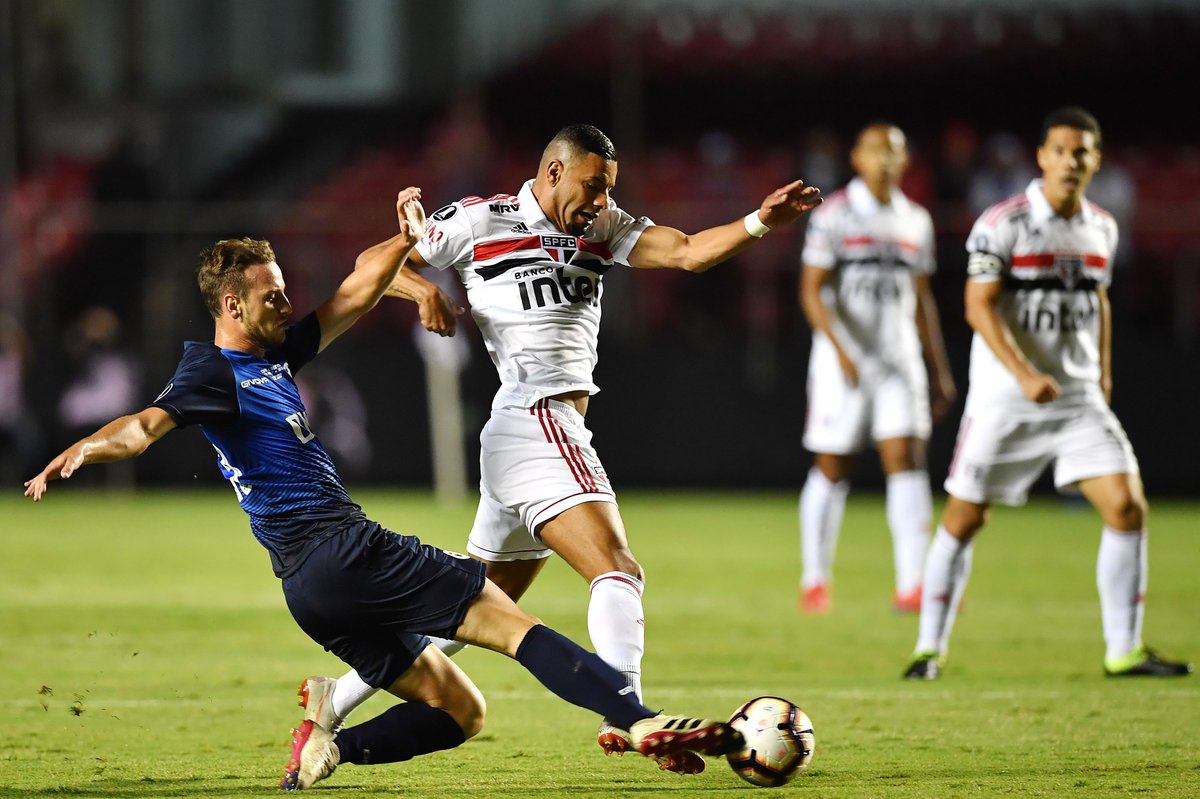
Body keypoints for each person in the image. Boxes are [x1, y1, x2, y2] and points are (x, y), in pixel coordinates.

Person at [24, 189, 745, 791]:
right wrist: (86, 447)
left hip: (309, 591)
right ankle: (638, 717)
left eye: (282, 289)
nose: (285, 301)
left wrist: (406, 242)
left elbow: (356, 289)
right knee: (512, 623)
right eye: (271, 295)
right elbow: (146, 425)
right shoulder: (212, 374)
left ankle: (333, 745)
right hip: (348, 550)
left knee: (461, 710)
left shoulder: (276, 354)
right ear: (232, 309)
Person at [305, 123, 822, 772]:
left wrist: (759, 221)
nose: (603, 201)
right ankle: (626, 711)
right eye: (594, 186)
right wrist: (423, 287)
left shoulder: (601, 229)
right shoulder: (479, 220)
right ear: (553, 172)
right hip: (537, 419)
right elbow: (375, 264)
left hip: (523, 436)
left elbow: (687, 251)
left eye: (609, 189)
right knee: (617, 566)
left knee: (476, 607)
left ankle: (331, 703)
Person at [902, 108, 1192, 680]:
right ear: (1041, 156)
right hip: (1006, 400)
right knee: (964, 518)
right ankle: (928, 649)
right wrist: (1024, 373)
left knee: (1127, 507)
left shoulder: (1102, 227)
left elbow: (1099, 302)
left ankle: (1123, 650)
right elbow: (976, 306)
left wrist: (1103, 375)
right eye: (1059, 150)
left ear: (1095, 161)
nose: (1070, 161)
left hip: (1077, 397)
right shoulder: (1003, 222)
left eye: (1081, 152)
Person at [797, 122, 957, 615]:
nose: (885, 159)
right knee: (833, 465)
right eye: (875, 150)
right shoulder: (836, 215)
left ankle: (913, 586)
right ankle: (815, 578)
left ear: (905, 160)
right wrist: (840, 349)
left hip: (899, 362)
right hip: (842, 363)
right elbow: (811, 289)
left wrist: (939, 368)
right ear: (857, 158)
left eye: (894, 151)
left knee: (907, 462)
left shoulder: (915, 219)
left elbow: (922, 298)